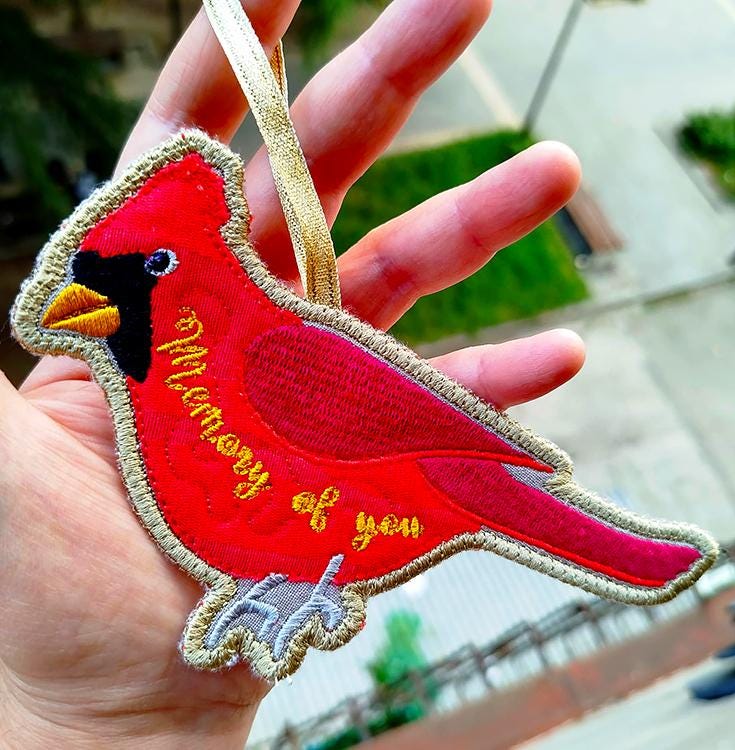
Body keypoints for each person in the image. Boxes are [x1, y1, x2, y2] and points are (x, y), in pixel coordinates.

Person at [0, 1, 585, 746]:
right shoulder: (145, 421)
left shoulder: (271, 355)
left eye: (138, 277)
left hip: (430, 481)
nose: (91, 303)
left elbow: (400, 436)